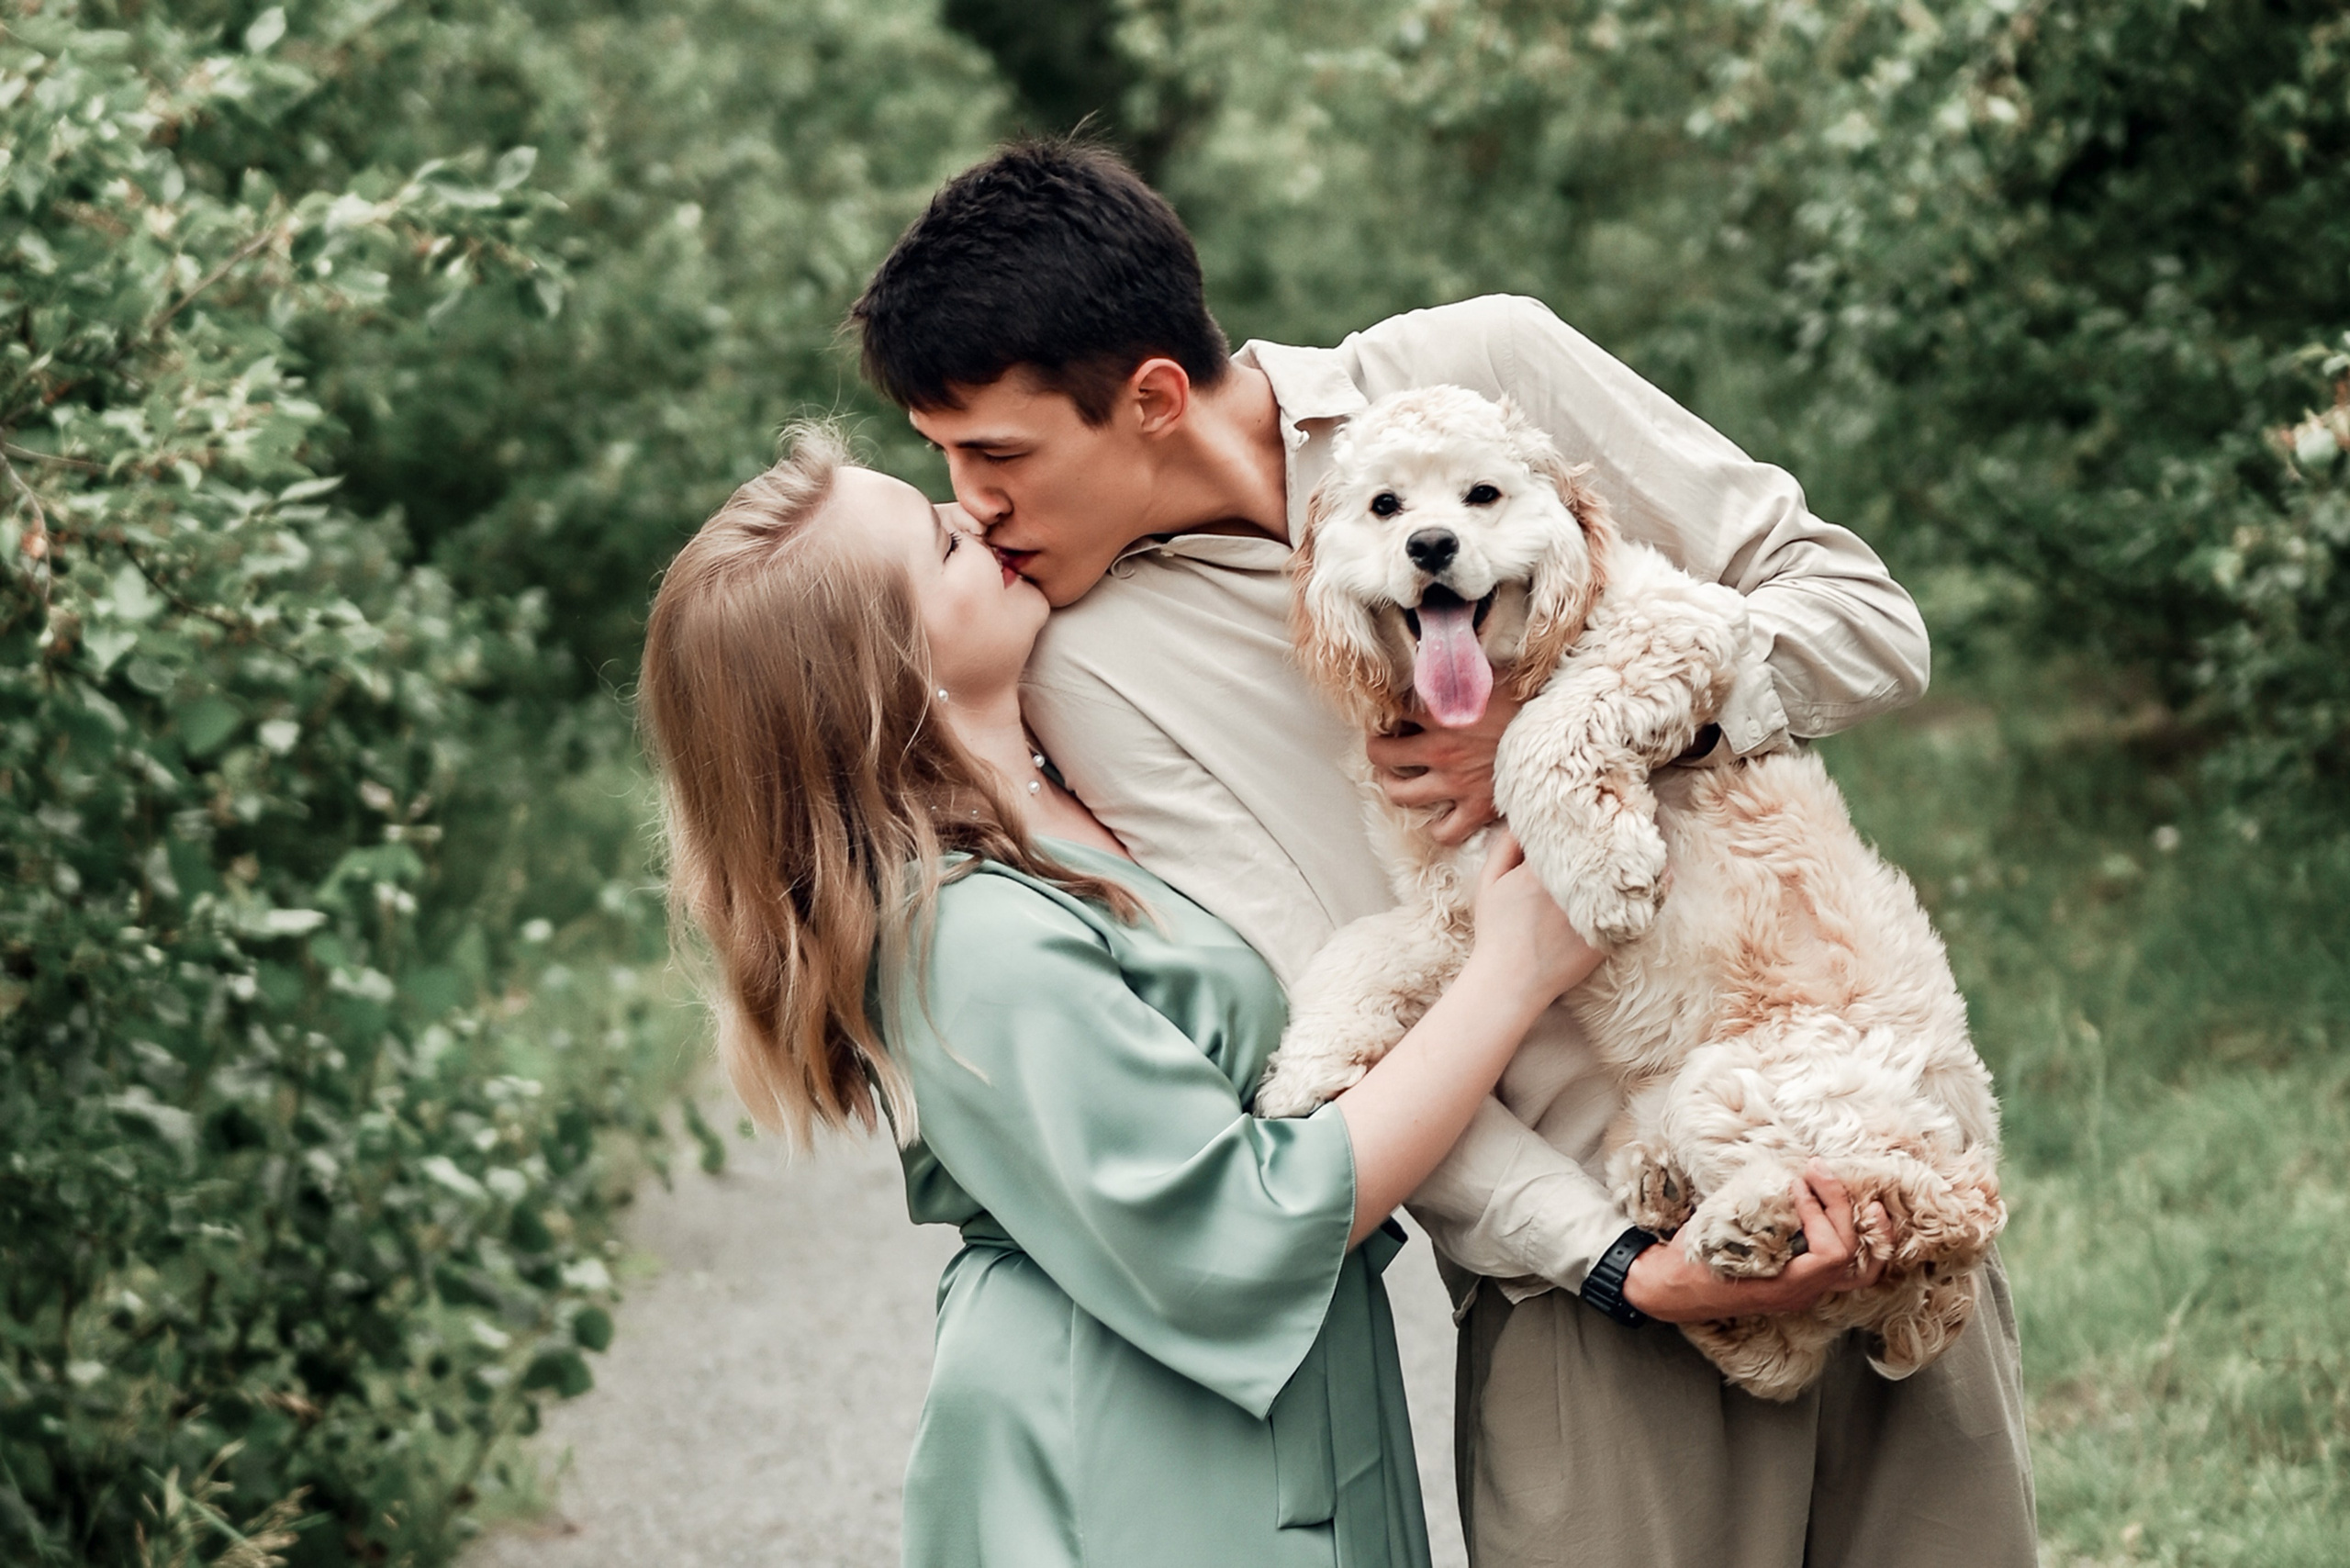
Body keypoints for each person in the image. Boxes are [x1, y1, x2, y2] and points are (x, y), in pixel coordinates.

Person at [848, 139, 2038, 1567]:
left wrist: (1584, 741)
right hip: (1605, 1305)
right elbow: (1327, 1016)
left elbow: (1860, 616)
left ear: (1152, 399)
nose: (975, 506)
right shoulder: (1092, 670)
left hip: (1874, 1140)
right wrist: (1612, 1268)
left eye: (997, 455)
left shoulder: (1487, 368)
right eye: (949, 465)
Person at [638, 429, 1848, 1566]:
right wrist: (1513, 969)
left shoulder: (1068, 789)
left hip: (1262, 1394)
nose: (976, 514)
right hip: (1123, 1433)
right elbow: (1232, 1229)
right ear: (878, 671)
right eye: (938, 542)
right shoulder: (963, 936)